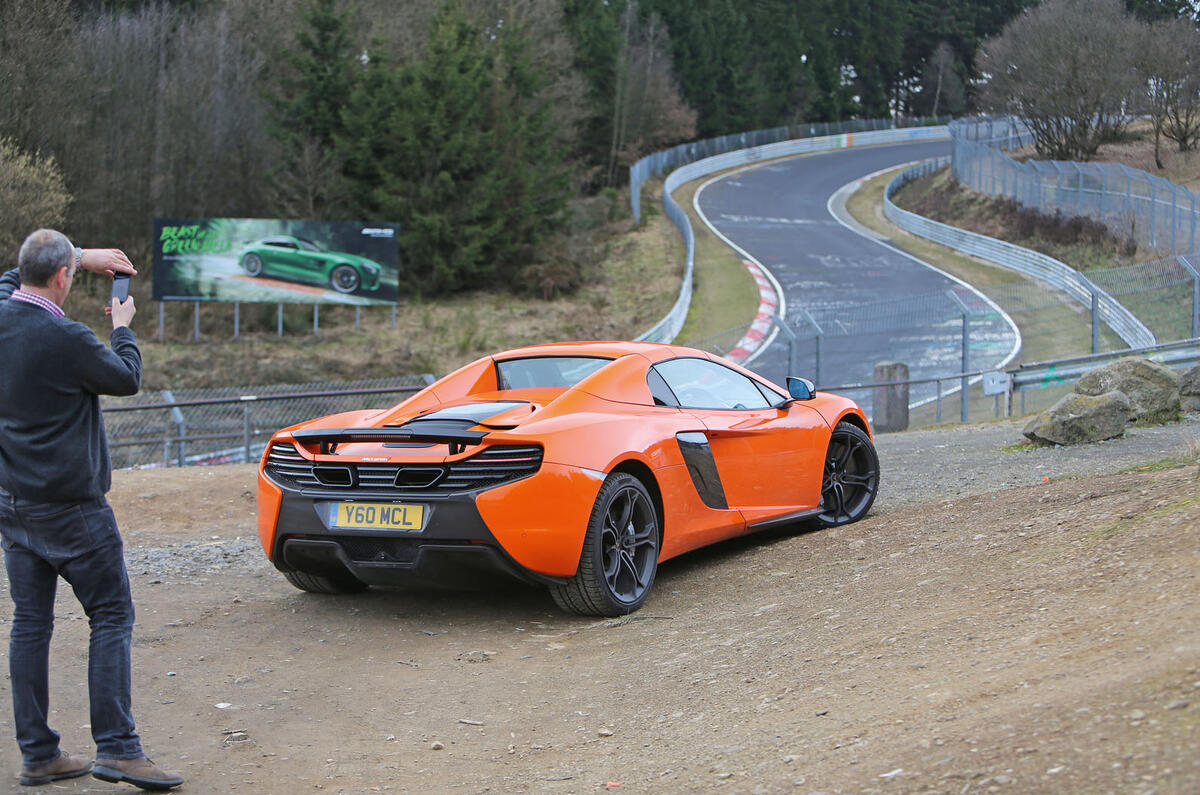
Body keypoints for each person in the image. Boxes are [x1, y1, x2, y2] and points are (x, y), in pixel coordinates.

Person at [0, 229, 183, 790]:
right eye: (71, 272)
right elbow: (126, 378)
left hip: (13, 502)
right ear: (61, 280)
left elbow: (11, 277)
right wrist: (122, 327)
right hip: (72, 508)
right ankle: (119, 749)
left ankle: (38, 753)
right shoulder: (69, 338)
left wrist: (79, 255)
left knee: (30, 624)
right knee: (111, 615)